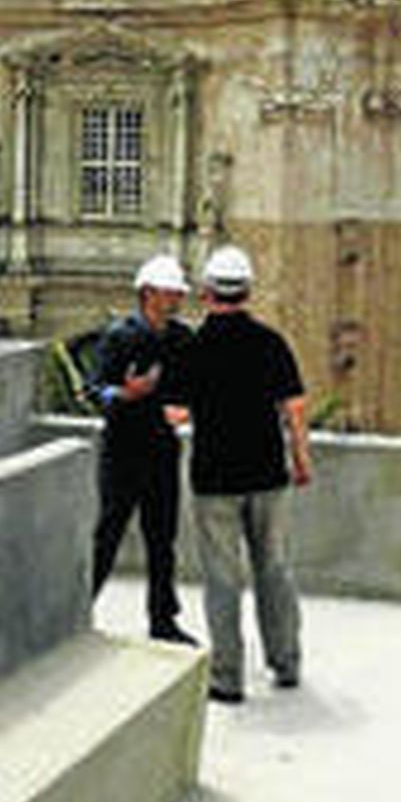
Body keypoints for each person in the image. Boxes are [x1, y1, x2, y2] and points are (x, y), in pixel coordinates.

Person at [177, 244, 312, 702]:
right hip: (268, 476)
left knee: (223, 578)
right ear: (248, 290)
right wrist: (301, 458)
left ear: (206, 291)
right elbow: (293, 407)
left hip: (214, 480)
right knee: (273, 569)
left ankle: (227, 678)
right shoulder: (271, 343)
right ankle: (286, 662)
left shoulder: (193, 348)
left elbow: (175, 413)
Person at [89, 254, 197, 644]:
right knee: (109, 532)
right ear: (148, 293)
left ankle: (162, 620)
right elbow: (94, 390)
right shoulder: (120, 337)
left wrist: (187, 409)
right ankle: (79, 608)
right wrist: (125, 393)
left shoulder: (182, 339)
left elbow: (197, 386)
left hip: (162, 451)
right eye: (171, 292)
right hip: (122, 451)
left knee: (161, 539)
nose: (176, 299)